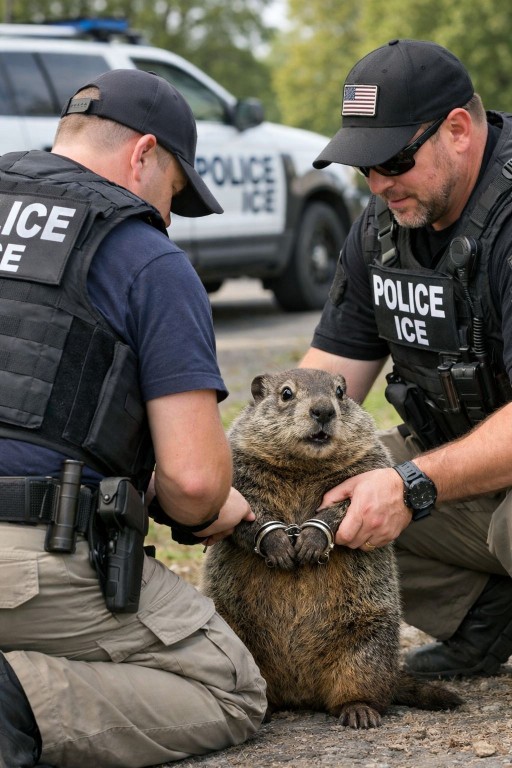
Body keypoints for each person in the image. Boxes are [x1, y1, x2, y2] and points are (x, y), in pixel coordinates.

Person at [0, 68, 266, 768]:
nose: (169, 216)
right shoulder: (146, 257)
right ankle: (11, 701)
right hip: (27, 557)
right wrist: (206, 503)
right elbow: (195, 486)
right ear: (143, 153)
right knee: (230, 689)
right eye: (175, 192)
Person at [300, 39, 512, 680]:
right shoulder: (382, 228)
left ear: (458, 130)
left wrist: (412, 485)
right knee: (306, 483)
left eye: (394, 158)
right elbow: (319, 388)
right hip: (471, 462)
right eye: (365, 165)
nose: (380, 183)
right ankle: (486, 614)